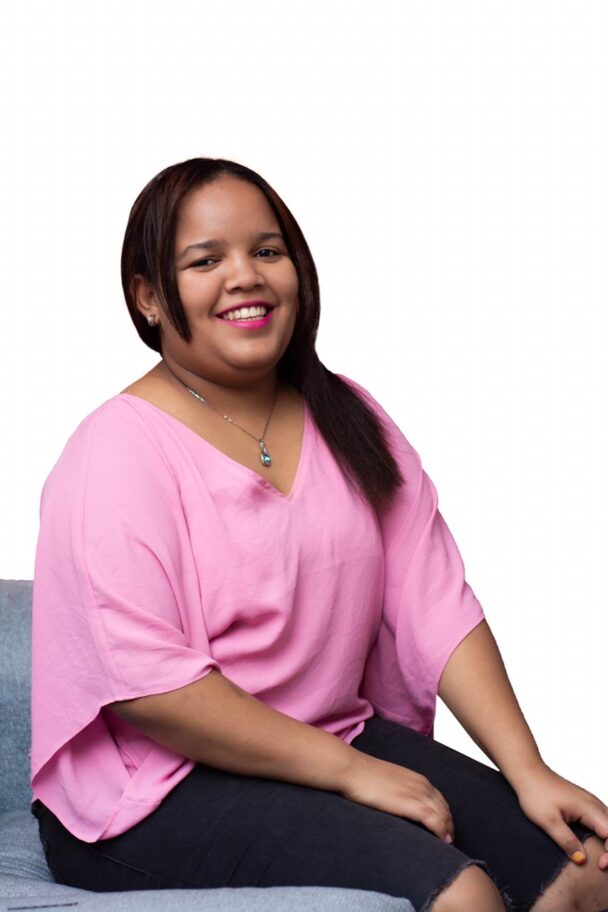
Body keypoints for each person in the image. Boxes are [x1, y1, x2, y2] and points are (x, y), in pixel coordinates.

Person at [30, 157, 608, 912]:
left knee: (588, 869)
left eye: (266, 251)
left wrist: (528, 770)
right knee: (460, 896)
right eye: (205, 261)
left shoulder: (349, 416)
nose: (245, 277)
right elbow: (152, 688)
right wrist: (349, 772)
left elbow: (435, 603)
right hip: (152, 791)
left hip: (331, 733)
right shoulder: (114, 451)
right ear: (148, 297)